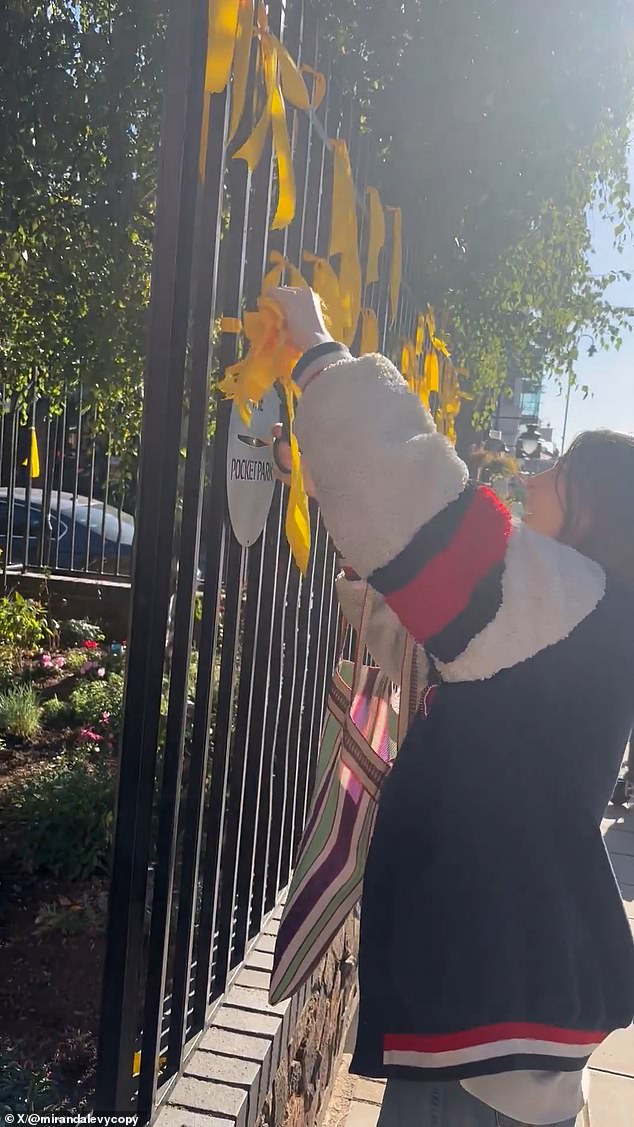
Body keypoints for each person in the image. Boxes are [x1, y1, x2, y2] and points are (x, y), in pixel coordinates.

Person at [269, 286, 634, 1127]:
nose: (533, 477)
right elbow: (444, 646)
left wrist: (318, 354)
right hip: (503, 1032)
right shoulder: (583, 619)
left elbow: (422, 508)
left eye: (559, 473)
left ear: (596, 512)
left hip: (480, 1061)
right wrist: (330, 491)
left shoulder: (578, 599)